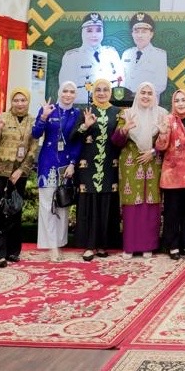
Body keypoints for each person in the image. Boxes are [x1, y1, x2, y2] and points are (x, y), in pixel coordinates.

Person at [28, 81, 82, 262]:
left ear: (75, 95)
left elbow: (78, 141)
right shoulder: (48, 110)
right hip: (48, 163)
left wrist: (73, 163)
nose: (68, 94)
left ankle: (60, 243)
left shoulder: (77, 114)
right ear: (59, 92)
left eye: (72, 92)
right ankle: (51, 246)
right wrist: (43, 117)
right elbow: (35, 134)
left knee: (62, 204)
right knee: (47, 205)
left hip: (66, 165)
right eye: (65, 91)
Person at [71, 79, 124, 260]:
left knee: (106, 204)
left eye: (105, 90)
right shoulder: (86, 111)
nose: (102, 93)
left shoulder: (117, 112)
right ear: (93, 92)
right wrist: (85, 126)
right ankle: (89, 246)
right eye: (98, 90)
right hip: (88, 165)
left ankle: (103, 244)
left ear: (110, 92)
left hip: (110, 164)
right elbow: (73, 137)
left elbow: (121, 139)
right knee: (90, 204)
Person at [0, 88, 36, 267]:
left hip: (18, 173)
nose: (19, 104)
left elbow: (33, 149)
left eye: (23, 100)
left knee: (15, 209)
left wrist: (21, 170)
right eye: (16, 100)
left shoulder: (33, 121)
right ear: (11, 102)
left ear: (28, 102)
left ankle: (13, 251)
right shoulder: (2, 118)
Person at [114, 81, 167, 258]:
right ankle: (129, 246)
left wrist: (153, 151)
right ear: (137, 95)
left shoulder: (162, 115)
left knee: (151, 205)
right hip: (131, 164)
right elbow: (116, 142)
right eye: (142, 92)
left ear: (154, 97)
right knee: (131, 206)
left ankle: (148, 246)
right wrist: (124, 130)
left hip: (153, 163)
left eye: (149, 93)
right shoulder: (127, 114)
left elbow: (167, 141)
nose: (146, 96)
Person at [159, 89, 185, 259]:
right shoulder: (168, 120)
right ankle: (172, 245)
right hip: (173, 173)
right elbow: (160, 147)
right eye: (177, 101)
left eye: (183, 100)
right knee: (172, 211)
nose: (180, 103)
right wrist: (163, 133)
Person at [57, 12, 124, 104]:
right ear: (82, 32)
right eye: (89, 31)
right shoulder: (71, 57)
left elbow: (120, 83)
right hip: (82, 107)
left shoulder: (112, 53)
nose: (94, 35)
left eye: (98, 30)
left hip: (109, 106)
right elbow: (65, 89)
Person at [121, 12, 169, 104]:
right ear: (132, 34)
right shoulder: (126, 54)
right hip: (127, 105)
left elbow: (161, 85)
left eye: (144, 31)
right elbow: (121, 81)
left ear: (151, 34)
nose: (139, 35)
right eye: (136, 31)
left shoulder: (159, 55)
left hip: (148, 105)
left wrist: (140, 97)